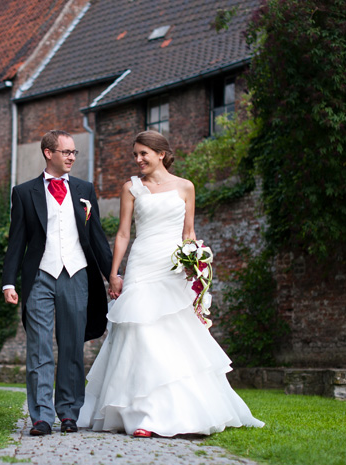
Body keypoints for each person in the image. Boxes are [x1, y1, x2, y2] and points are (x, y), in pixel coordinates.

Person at [77, 130, 264, 437]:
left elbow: (188, 233)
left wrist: (195, 265)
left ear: (160, 154)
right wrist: (114, 273)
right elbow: (124, 233)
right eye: (135, 155)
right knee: (139, 330)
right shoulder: (131, 188)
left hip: (173, 266)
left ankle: (178, 412)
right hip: (141, 264)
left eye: (143, 154)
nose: (138, 160)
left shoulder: (186, 187)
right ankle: (142, 415)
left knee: (174, 331)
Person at [2, 130, 113, 436]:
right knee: (39, 347)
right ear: (48, 153)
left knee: (72, 346)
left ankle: (68, 412)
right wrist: (8, 282)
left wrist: (112, 274)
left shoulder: (84, 190)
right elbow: (17, 241)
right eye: (66, 152)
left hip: (76, 274)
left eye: (74, 152)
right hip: (40, 276)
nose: (71, 157)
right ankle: (40, 416)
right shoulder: (24, 193)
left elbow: (97, 238)